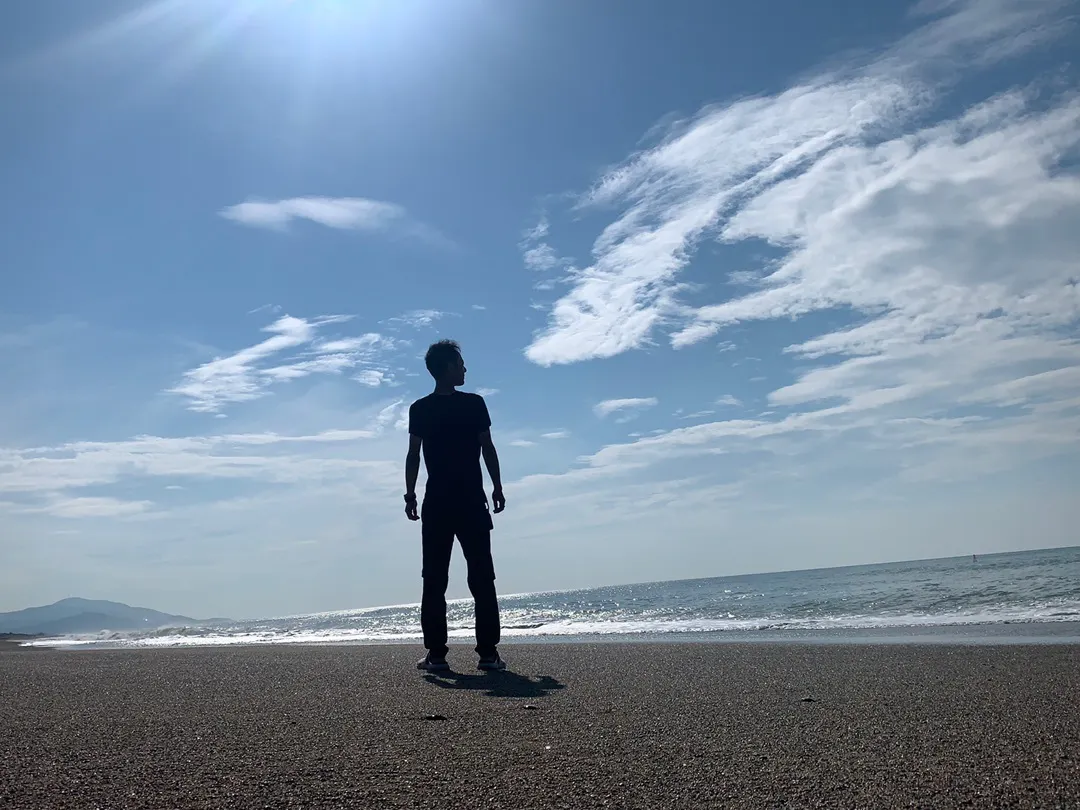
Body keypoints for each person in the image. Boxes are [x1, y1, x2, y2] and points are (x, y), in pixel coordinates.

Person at [405, 339, 506, 672]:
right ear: (448, 367)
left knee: (435, 579)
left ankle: (437, 655)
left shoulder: (420, 408)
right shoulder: (473, 404)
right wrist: (497, 486)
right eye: (461, 364)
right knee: (481, 576)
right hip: (469, 501)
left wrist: (410, 494)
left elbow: (413, 455)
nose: (465, 369)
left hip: (437, 503)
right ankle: (487, 654)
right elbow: (487, 447)